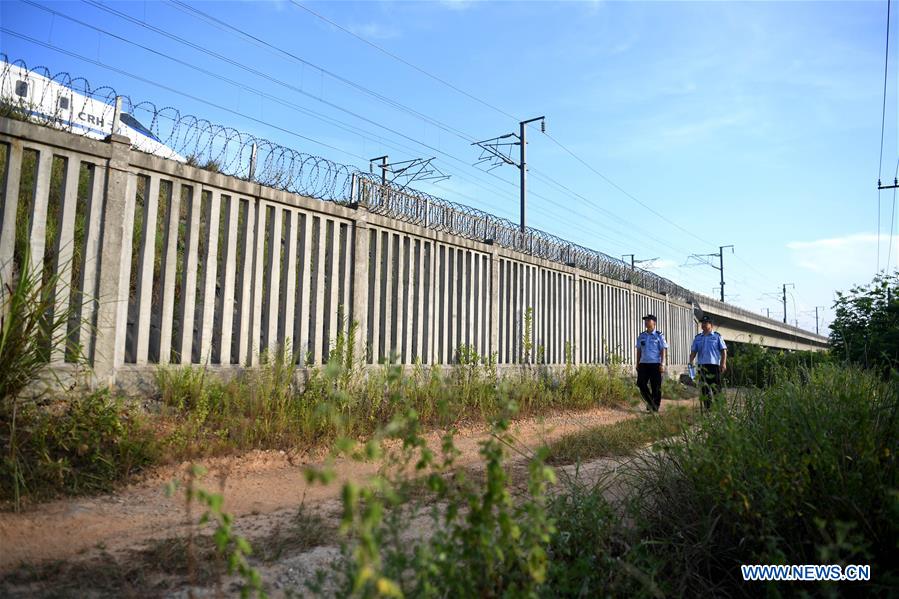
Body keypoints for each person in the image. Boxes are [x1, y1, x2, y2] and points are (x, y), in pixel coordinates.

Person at [689, 315, 727, 411]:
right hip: (702, 366)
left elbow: (724, 351)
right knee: (704, 389)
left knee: (716, 388)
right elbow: (694, 351)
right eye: (703, 323)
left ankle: (719, 409)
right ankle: (708, 408)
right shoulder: (698, 338)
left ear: (711, 325)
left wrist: (723, 363)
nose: (704, 324)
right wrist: (690, 362)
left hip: (714, 366)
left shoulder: (717, 336)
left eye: (706, 323)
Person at [635, 314, 668, 412]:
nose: (646, 322)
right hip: (643, 363)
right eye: (645, 320)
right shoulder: (642, 336)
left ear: (654, 322)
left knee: (656, 387)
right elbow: (639, 350)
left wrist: (662, 364)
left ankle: (655, 407)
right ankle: (650, 402)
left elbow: (663, 350)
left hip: (655, 364)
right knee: (640, 384)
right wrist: (637, 363)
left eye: (648, 320)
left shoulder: (659, 335)